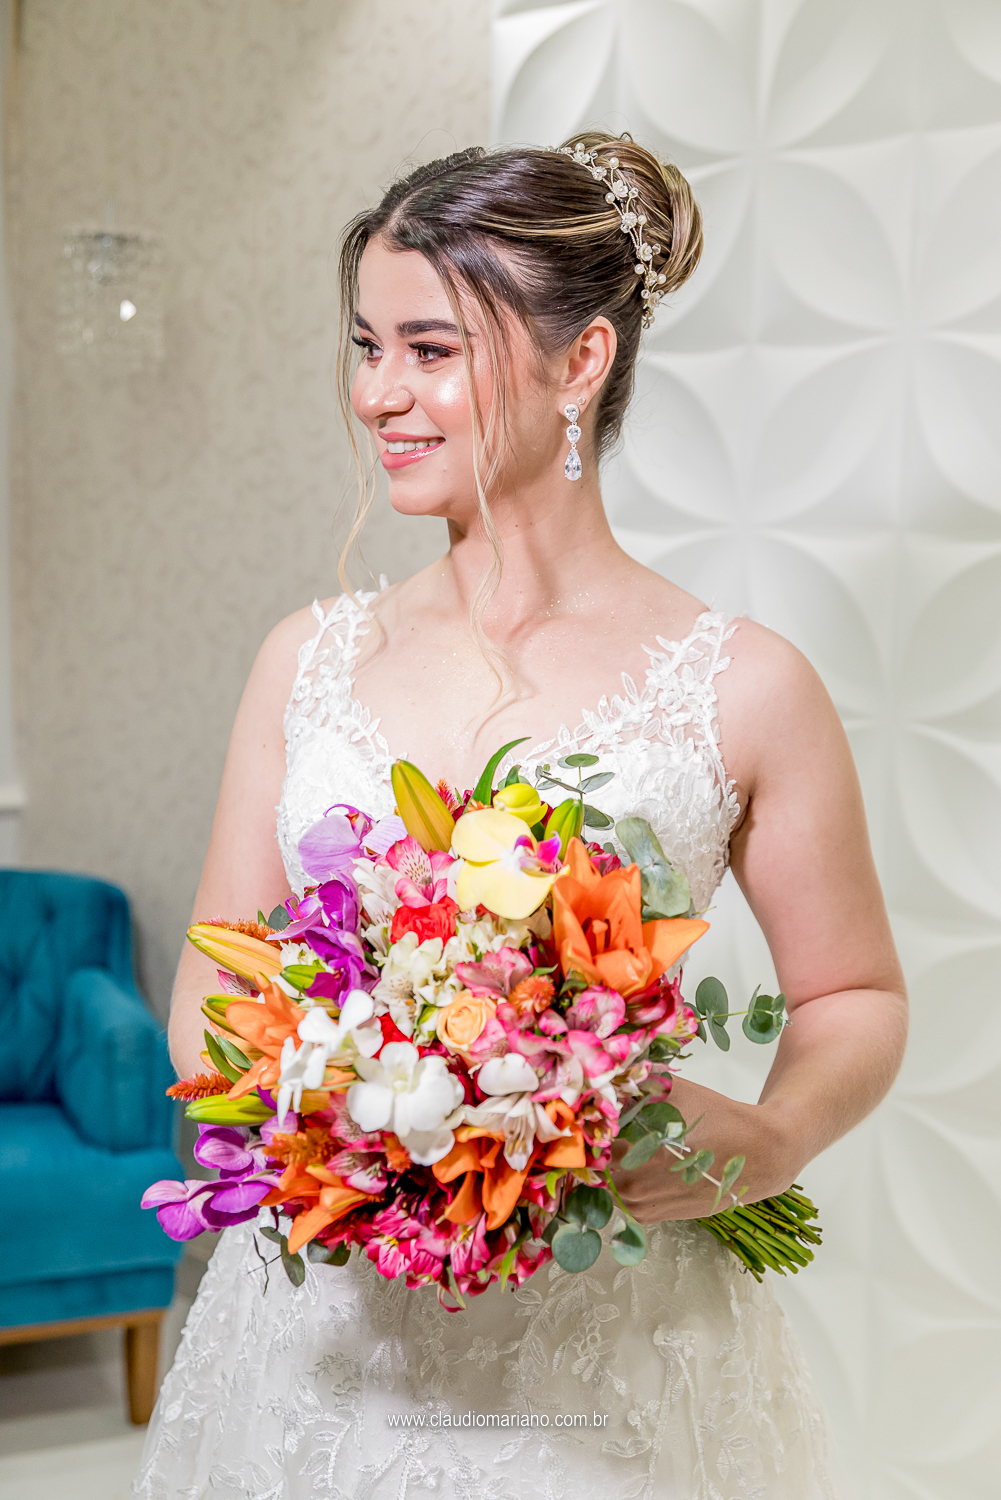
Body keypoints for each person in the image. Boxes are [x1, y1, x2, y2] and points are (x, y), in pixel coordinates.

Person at [136, 132, 906, 1499]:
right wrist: (322, 1129)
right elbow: (216, 970)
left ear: (581, 361)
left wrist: (775, 1136)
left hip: (614, 1345)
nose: (377, 393)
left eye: (428, 349)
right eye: (366, 346)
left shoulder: (744, 686)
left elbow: (854, 994)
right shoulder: (303, 660)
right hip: (328, 1339)